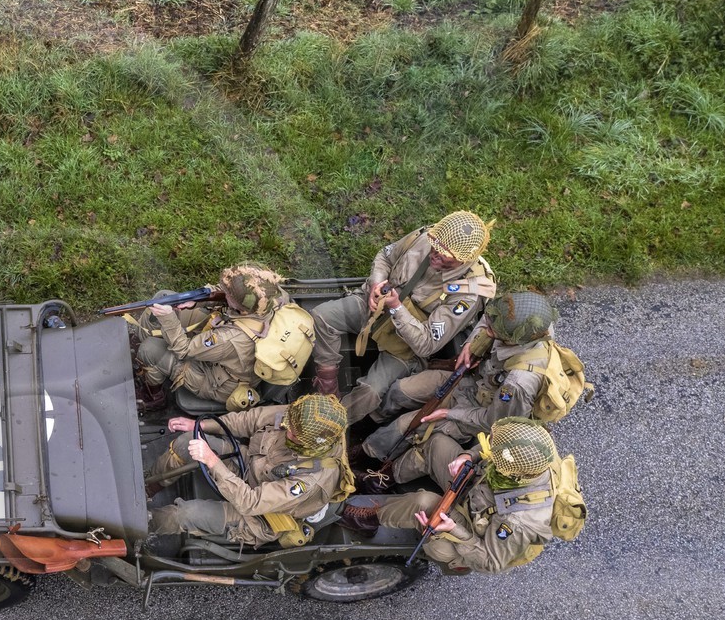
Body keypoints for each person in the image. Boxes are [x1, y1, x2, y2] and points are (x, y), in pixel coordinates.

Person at [357, 292, 560, 488]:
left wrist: (449, 413)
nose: (488, 330)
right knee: (402, 390)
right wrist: (471, 343)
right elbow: (487, 319)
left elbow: (493, 422)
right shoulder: (521, 322)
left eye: (493, 331)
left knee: (408, 425)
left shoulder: (518, 383)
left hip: (476, 414)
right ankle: (368, 424)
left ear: (514, 340)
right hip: (469, 383)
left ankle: (371, 463)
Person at [308, 210, 497, 422]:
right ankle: (327, 388)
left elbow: (427, 345)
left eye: (446, 255)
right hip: (377, 307)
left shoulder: (468, 294)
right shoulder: (427, 237)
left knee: (370, 391)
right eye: (435, 246)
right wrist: (376, 284)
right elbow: (385, 257)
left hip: (407, 343)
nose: (435, 253)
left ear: (464, 260)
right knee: (321, 317)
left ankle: (329, 423)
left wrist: (397, 307)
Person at [342, 417, 563, 573]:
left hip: (469, 532)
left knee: (423, 503)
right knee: (437, 444)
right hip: (475, 489)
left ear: (509, 470)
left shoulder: (519, 522)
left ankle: (368, 520)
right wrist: (468, 456)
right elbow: (491, 445)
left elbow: (490, 563)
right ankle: (380, 481)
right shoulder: (529, 450)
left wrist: (453, 529)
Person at [148, 393, 350, 547]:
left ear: (311, 444)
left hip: (260, 515)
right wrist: (200, 425)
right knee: (186, 441)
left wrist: (211, 460)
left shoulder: (311, 480)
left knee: (186, 514)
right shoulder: (301, 417)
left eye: (294, 435)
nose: (287, 430)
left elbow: (251, 502)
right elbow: (249, 420)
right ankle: (148, 488)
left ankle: (142, 526)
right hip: (249, 466)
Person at [130, 264, 288, 413]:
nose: (224, 292)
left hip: (218, 381)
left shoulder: (230, 338)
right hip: (227, 338)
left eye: (228, 293)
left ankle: (154, 397)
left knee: (149, 349)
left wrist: (168, 318)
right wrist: (198, 299)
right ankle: (145, 358)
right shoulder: (268, 295)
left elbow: (184, 351)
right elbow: (225, 293)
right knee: (164, 297)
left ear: (240, 305)